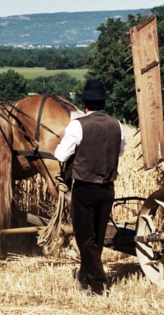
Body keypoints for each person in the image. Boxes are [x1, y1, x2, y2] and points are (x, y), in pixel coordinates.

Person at [54, 79, 125, 295]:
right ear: (102, 103)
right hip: (107, 188)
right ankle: (84, 277)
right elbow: (120, 151)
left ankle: (99, 285)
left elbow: (60, 155)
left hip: (84, 188)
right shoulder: (117, 124)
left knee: (85, 238)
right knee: (97, 235)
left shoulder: (78, 125)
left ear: (84, 104)